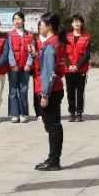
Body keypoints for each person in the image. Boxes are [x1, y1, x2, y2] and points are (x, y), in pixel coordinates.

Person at [33, 13, 67, 171]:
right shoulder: (56, 42)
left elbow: (48, 73)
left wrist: (45, 95)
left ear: (49, 26)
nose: (39, 27)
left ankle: (54, 160)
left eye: (41, 24)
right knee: (54, 126)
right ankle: (53, 158)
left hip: (50, 90)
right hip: (57, 88)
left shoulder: (49, 46)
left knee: (52, 126)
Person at [6, 12, 34, 123]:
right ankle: (14, 114)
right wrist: (13, 64)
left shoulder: (29, 35)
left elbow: (32, 51)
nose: (17, 21)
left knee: (24, 89)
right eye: (15, 19)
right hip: (14, 67)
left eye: (19, 19)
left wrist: (29, 63)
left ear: (23, 21)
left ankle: (23, 113)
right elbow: (9, 51)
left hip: (25, 67)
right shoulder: (10, 35)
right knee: (13, 90)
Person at [64, 14, 92, 122]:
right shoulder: (66, 36)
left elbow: (87, 54)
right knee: (70, 91)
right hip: (69, 69)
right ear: (71, 24)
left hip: (81, 69)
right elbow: (64, 53)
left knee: (80, 92)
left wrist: (77, 66)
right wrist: (69, 65)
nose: (76, 23)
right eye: (74, 21)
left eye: (78, 21)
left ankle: (79, 113)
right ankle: (72, 113)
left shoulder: (86, 37)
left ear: (82, 23)